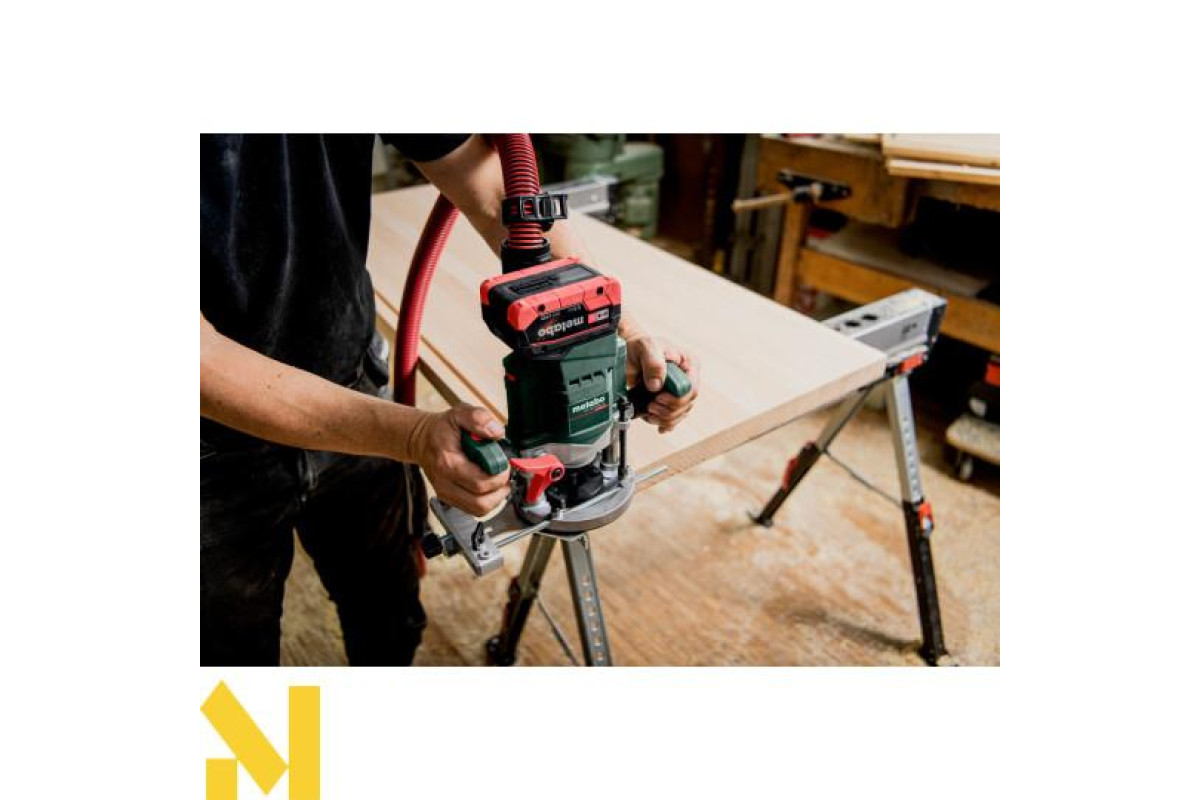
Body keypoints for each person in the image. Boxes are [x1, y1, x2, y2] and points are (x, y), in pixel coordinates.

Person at [200, 134, 700, 666]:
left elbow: (497, 190)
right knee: (229, 663)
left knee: (389, 611)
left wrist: (619, 329)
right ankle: (270, 728)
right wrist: (413, 435)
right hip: (209, 447)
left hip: (348, 366)